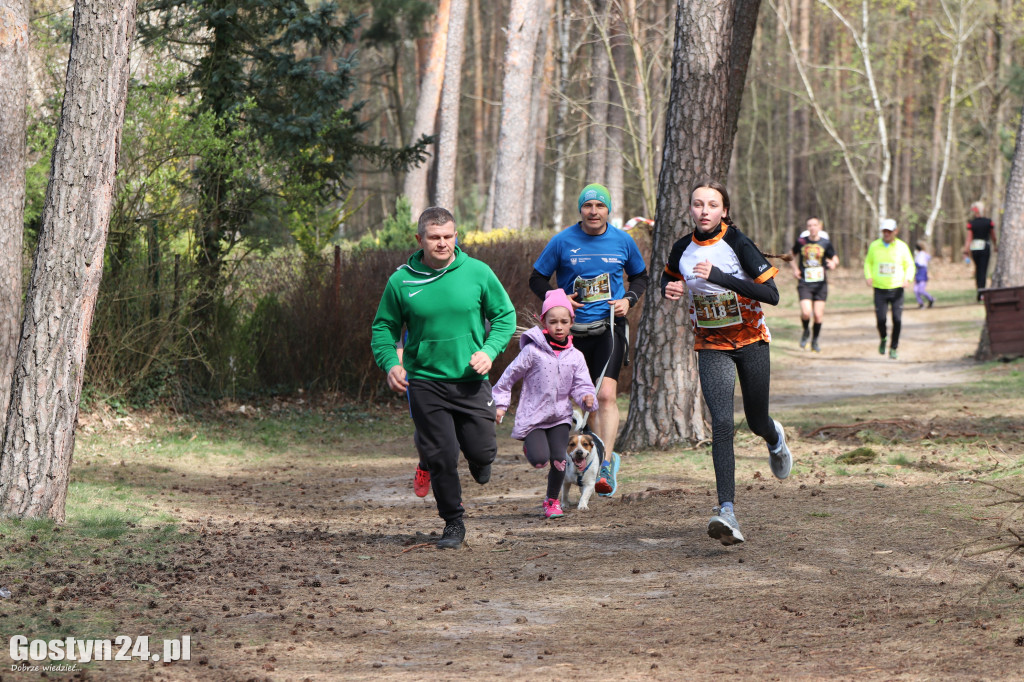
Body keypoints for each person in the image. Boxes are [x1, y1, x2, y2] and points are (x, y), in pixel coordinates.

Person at [371, 207, 516, 549]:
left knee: (482, 450)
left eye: (448, 236)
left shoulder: (477, 272)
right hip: (425, 381)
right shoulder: (401, 281)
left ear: (456, 236)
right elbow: (384, 328)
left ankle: (480, 460)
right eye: (434, 237)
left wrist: (489, 350)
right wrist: (391, 364)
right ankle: (453, 522)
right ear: (419, 239)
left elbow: (505, 316)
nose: (442, 243)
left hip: (470, 379)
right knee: (441, 455)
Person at [661, 180, 793, 546]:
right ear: (690, 209)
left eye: (712, 204)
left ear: (724, 210)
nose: (704, 210)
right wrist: (669, 288)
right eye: (698, 204)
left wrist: (721, 277)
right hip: (711, 344)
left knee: (755, 420)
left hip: (751, 341)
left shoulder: (738, 243)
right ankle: (727, 511)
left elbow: (771, 294)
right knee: (721, 423)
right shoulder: (682, 248)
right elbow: (669, 278)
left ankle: (774, 437)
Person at [529, 183, 649, 497]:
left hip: (610, 327)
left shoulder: (623, 241)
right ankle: (592, 460)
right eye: (588, 206)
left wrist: (629, 300)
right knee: (585, 400)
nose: (593, 212)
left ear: (608, 210)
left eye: (599, 206)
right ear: (580, 209)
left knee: (605, 395)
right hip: (572, 333)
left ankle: (606, 465)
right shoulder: (562, 241)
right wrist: (558, 298)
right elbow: (536, 278)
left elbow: (641, 276)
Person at [492, 289, 598, 519]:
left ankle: (552, 501)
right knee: (540, 460)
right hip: (534, 417)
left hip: (560, 417)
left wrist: (586, 397)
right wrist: (500, 405)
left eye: (564, 322)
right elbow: (508, 377)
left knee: (560, 459)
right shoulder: (532, 352)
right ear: (544, 322)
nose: (559, 327)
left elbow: (582, 385)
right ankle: (531, 447)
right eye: (553, 322)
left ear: (571, 322)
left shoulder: (575, 356)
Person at [863, 218, 915, 360]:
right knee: (881, 319)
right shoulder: (874, 246)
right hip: (880, 288)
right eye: (884, 231)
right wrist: (868, 276)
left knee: (897, 320)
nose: (886, 234)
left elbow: (909, 264)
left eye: (889, 231)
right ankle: (883, 338)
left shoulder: (902, 247)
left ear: (895, 231)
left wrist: (908, 278)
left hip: (897, 288)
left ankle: (893, 347)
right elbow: (868, 263)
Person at [791, 217, 839, 352]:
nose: (812, 227)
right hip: (804, 283)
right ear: (807, 228)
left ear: (819, 227)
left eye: (814, 225)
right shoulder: (801, 241)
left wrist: (833, 263)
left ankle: (815, 340)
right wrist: (795, 269)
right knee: (806, 312)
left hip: (820, 284)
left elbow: (835, 258)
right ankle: (806, 331)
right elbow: (791, 255)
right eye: (809, 225)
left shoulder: (825, 243)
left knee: (818, 315)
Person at [963, 201, 998, 301]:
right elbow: (993, 236)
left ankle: (979, 290)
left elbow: (969, 239)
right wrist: (995, 246)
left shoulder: (972, 223)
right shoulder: (988, 222)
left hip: (975, 249)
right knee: (983, 270)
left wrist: (966, 251)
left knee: (978, 270)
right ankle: (982, 292)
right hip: (985, 248)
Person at [913, 241, 935, 309]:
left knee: (921, 290)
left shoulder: (923, 254)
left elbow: (928, 258)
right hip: (917, 274)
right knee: (916, 290)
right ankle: (921, 303)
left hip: (922, 274)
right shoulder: (917, 255)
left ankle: (931, 299)